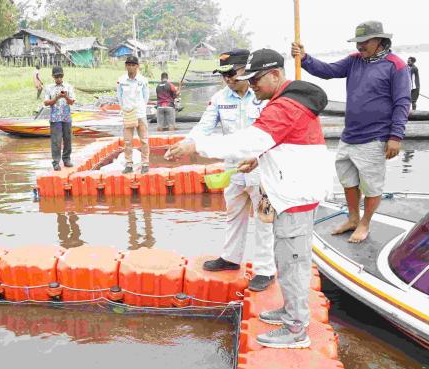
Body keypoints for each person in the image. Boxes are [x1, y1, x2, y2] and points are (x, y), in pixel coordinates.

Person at [166, 49, 333, 348]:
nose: (251, 84)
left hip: (294, 193)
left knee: (292, 260)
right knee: (287, 255)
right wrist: (258, 158)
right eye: (248, 79)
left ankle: (297, 329)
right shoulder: (281, 102)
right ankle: (289, 310)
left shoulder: (284, 106)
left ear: (276, 75)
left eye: (255, 78)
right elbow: (277, 143)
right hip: (289, 188)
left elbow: (250, 141)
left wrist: (196, 145)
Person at [292, 21, 411, 243]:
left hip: (375, 137)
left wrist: (396, 137)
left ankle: (365, 223)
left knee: (372, 185)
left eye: (365, 42)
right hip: (349, 135)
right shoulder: (354, 61)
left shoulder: (396, 66)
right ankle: (353, 218)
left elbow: (402, 103)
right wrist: (305, 58)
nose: (360, 46)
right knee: (347, 180)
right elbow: (328, 71)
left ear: (380, 41)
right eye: (358, 42)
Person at [183, 49, 276, 292]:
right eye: (223, 75)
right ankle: (230, 258)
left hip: (261, 167)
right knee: (233, 213)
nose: (228, 79)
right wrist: (186, 144)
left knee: (265, 219)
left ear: (245, 69)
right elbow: (203, 127)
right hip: (233, 168)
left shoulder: (264, 97)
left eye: (232, 73)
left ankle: (265, 269)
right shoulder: (219, 98)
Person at [117, 55, 150, 174]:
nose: (131, 67)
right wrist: (125, 109)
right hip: (127, 113)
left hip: (140, 113)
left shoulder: (143, 81)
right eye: (129, 65)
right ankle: (129, 164)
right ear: (126, 66)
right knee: (127, 141)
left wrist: (140, 108)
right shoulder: (121, 81)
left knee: (144, 140)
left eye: (133, 65)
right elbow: (119, 97)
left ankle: (145, 163)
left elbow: (146, 97)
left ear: (137, 66)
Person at [44, 66, 76, 171]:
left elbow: (71, 102)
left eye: (60, 76)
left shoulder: (68, 87)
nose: (59, 78)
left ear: (63, 76)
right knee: (56, 141)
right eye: (57, 76)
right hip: (55, 119)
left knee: (68, 139)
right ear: (53, 77)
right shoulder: (49, 88)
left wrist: (65, 96)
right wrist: (57, 97)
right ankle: (56, 162)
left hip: (66, 118)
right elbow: (46, 102)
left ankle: (66, 160)